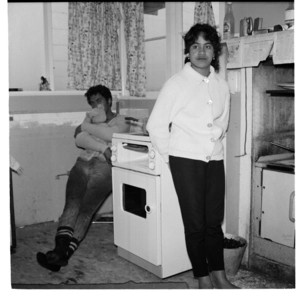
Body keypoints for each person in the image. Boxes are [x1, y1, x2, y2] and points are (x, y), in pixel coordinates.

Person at [146, 24, 237, 289]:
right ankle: (203, 279)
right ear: (188, 51)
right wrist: (172, 157)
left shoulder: (221, 86)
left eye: (207, 46)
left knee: (213, 223)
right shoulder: (176, 84)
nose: (201, 51)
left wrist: (214, 139)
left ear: (214, 51)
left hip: (214, 160)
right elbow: (156, 125)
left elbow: (223, 122)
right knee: (195, 224)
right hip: (185, 161)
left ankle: (220, 276)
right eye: (195, 46)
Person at [37, 84, 130, 272]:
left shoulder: (122, 120)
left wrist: (86, 127)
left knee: (86, 210)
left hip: (104, 169)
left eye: (99, 101)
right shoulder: (91, 119)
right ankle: (60, 254)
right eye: (92, 103)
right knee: (71, 205)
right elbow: (79, 139)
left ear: (109, 101)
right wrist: (103, 148)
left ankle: (60, 256)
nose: (96, 106)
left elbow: (110, 134)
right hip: (82, 163)